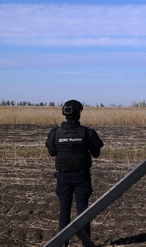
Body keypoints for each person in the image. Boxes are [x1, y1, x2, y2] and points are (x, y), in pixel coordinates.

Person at [45, 100, 104, 247]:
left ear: (65, 113)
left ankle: (63, 244)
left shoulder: (55, 133)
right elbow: (96, 154)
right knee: (83, 211)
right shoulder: (87, 132)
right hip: (82, 176)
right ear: (78, 113)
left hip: (63, 177)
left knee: (64, 209)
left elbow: (52, 152)